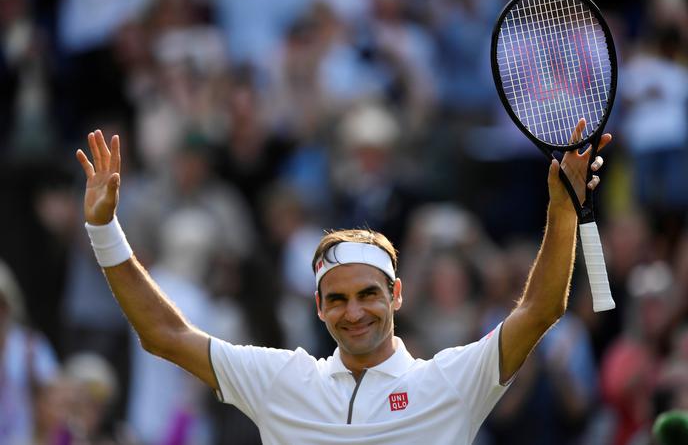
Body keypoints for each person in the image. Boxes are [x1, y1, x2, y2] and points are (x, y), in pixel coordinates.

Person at [74, 120, 611, 444]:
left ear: (397, 295)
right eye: (338, 299)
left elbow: (539, 309)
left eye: (368, 295)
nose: (354, 312)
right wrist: (103, 229)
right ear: (319, 307)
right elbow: (163, 334)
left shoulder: (448, 382)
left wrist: (562, 210)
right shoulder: (280, 380)